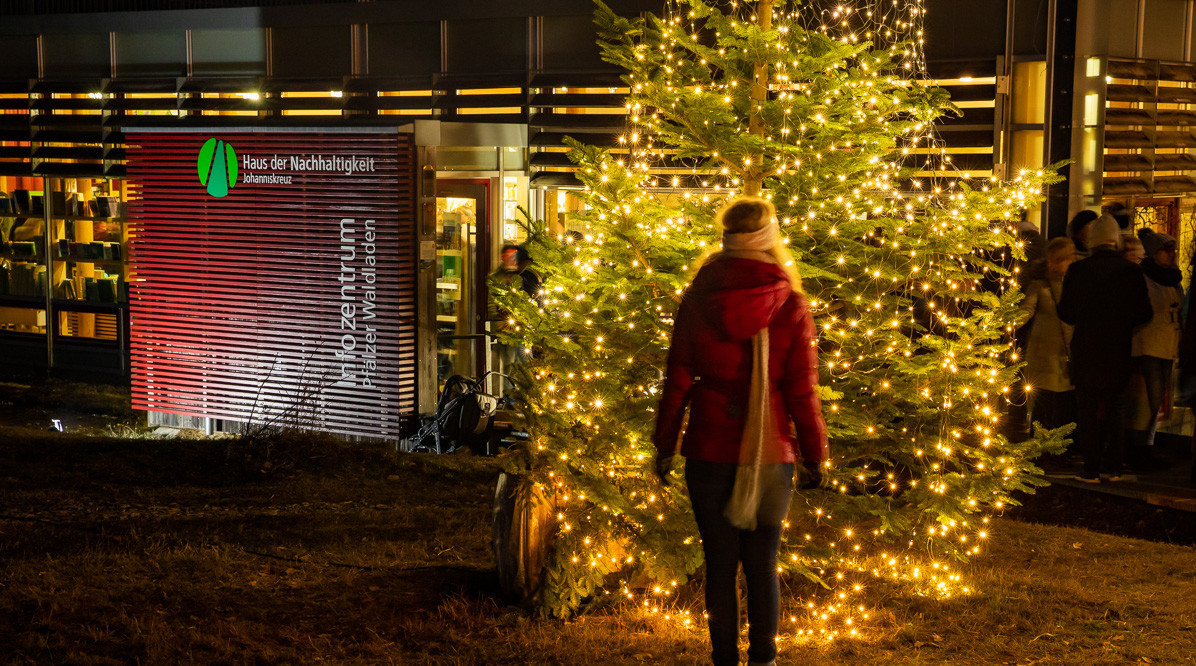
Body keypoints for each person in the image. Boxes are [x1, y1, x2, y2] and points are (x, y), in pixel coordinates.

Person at [653, 197, 828, 666]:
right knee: (761, 564)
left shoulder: (698, 298)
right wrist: (815, 454)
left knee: (719, 563)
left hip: (708, 448)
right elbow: (801, 391)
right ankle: (764, 660)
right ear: (771, 240)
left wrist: (664, 446)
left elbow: (678, 378)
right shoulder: (790, 303)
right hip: (770, 452)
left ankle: (724, 659)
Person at [1057, 214, 1153, 483]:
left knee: (1087, 410)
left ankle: (1091, 467)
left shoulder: (1078, 270)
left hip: (1086, 349)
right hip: (1118, 349)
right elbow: (1144, 312)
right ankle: (1114, 467)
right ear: (1115, 241)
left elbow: (1066, 312)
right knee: (1115, 409)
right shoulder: (1130, 272)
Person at [1126, 228, 1183, 471]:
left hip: (1168, 344)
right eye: (1166, 250)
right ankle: (1138, 449)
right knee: (1147, 398)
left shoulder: (1173, 278)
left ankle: (1146, 446)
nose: (1171, 255)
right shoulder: (1143, 277)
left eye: (1173, 250)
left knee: (1157, 399)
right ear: (1154, 253)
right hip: (1148, 344)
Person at [1019, 237, 1076, 433]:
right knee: (1044, 401)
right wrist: (1009, 322)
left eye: (1060, 259)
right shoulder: (1040, 284)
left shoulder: (1075, 284)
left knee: (1063, 404)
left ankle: (1060, 448)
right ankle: (1040, 447)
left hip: (1067, 352)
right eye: (1052, 259)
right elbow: (1027, 309)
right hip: (1044, 353)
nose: (1054, 264)